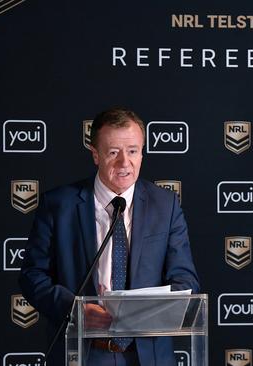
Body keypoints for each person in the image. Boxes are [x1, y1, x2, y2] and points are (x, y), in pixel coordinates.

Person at [19, 108, 199, 365]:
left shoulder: (166, 205)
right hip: (84, 353)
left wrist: (141, 311)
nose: (124, 163)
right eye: (113, 152)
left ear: (142, 153)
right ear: (96, 155)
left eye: (133, 151)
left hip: (148, 356)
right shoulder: (59, 205)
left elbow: (185, 280)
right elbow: (32, 276)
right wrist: (75, 311)